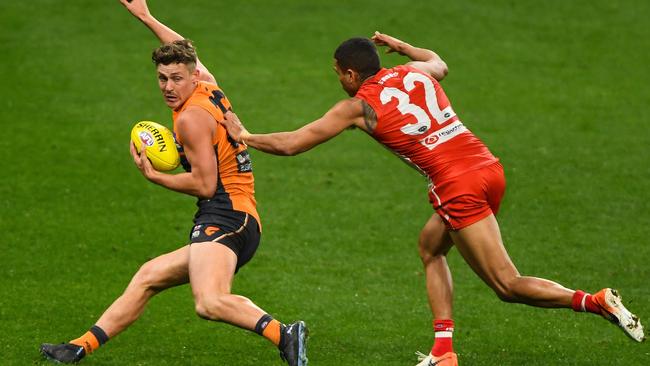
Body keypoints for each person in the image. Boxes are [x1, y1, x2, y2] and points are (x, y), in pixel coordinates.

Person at [220, 31, 645, 366]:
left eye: (338, 73)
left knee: (507, 285)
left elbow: (294, 143)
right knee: (430, 247)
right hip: (487, 168)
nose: (339, 80)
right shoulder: (415, 72)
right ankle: (444, 349)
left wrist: (246, 136)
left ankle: (595, 301)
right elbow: (438, 61)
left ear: (349, 74)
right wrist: (403, 46)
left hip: (456, 186)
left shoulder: (359, 107)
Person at [39, 1, 308, 365]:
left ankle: (285, 333)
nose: (168, 86)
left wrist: (155, 176)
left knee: (210, 302)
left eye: (176, 78)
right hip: (238, 215)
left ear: (192, 77)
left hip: (226, 217)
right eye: (162, 78)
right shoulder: (208, 87)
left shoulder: (190, 119)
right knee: (149, 275)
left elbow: (204, 184)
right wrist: (146, 17)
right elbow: (185, 49)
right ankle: (78, 347)